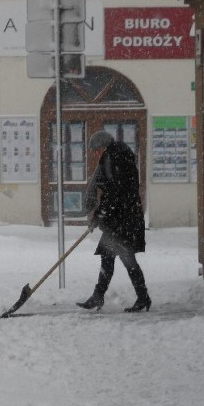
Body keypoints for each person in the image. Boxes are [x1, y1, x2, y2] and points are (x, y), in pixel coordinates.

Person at [77, 131, 151, 312]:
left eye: (96, 150)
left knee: (126, 259)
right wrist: (101, 214)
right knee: (108, 258)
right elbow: (115, 192)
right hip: (122, 219)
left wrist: (101, 214)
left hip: (123, 221)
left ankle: (142, 298)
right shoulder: (118, 156)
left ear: (103, 146)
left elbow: (114, 193)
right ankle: (99, 296)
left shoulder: (113, 158)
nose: (95, 154)